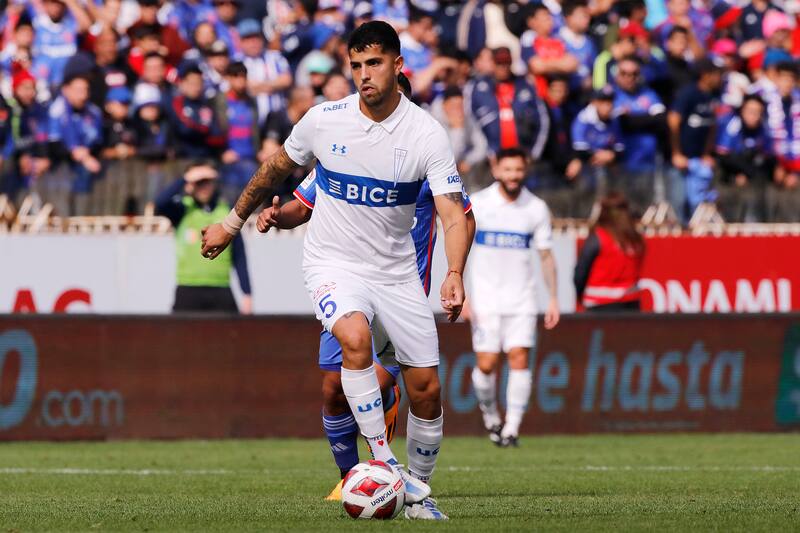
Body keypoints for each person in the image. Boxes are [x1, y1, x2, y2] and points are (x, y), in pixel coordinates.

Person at [200, 21, 471, 520]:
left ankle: (419, 490)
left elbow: (454, 212)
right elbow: (274, 168)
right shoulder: (324, 120)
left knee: (426, 391)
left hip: (397, 275)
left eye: (373, 63)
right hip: (333, 264)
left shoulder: (426, 134)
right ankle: (383, 465)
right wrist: (232, 222)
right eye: (356, 65)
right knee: (353, 338)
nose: (364, 75)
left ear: (397, 65)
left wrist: (454, 273)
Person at [254, 73, 476, 504]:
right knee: (333, 388)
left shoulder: (425, 152)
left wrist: (455, 272)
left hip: (398, 289)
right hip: (347, 280)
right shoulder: (346, 153)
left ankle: (398, 478)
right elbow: (302, 206)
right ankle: (353, 478)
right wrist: (274, 216)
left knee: (387, 381)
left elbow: (462, 216)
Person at [465, 147, 560, 448]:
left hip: (522, 298)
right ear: (496, 170)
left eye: (518, 170)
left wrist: (554, 298)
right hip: (485, 298)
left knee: (519, 358)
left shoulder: (536, 208)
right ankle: (491, 414)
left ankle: (512, 428)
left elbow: (546, 256)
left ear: (525, 170)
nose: (513, 176)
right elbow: (461, 247)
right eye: (508, 170)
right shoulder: (479, 203)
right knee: (487, 363)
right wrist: (462, 293)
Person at [155, 162, 252, 314]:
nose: (204, 186)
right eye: (199, 182)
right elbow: (159, 203)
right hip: (188, 289)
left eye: (207, 181)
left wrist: (247, 293)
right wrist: (186, 177)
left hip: (221, 289)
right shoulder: (182, 210)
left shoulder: (227, 211)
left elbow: (239, 255)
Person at [668, 57, 723, 222]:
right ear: (705, 75)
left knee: (699, 205)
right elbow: (673, 121)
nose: (719, 78)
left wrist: (707, 153)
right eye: (715, 74)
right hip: (681, 160)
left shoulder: (712, 96)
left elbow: (712, 126)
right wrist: (676, 153)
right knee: (678, 202)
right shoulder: (689, 93)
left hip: (699, 162)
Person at [573, 191, 645, 312]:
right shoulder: (636, 240)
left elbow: (580, 273)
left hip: (600, 307)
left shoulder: (599, 238)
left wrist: (580, 296)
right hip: (631, 305)